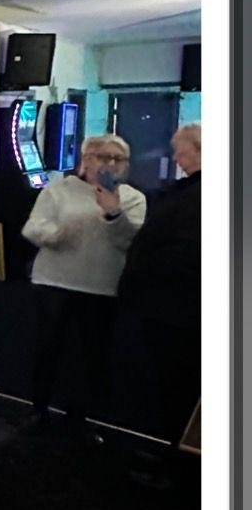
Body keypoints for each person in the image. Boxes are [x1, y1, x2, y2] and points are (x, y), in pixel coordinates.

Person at [18, 133, 146, 442]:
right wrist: (57, 233)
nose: (110, 163)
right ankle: (38, 410)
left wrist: (113, 211)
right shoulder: (59, 189)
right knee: (48, 348)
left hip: (102, 286)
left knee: (91, 354)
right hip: (54, 281)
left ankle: (80, 417)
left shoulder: (132, 198)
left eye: (118, 159)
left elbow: (131, 241)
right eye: (103, 156)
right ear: (86, 160)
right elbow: (33, 227)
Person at [117, 124, 201, 470]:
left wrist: (144, 269)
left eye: (181, 150)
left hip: (177, 308)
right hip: (171, 304)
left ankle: (182, 464)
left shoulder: (199, 195)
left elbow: (187, 253)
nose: (176, 158)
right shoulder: (192, 190)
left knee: (179, 386)